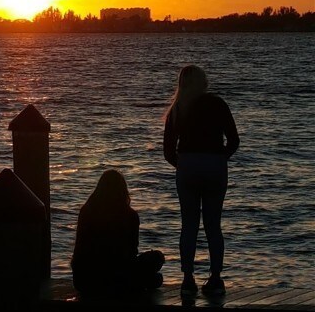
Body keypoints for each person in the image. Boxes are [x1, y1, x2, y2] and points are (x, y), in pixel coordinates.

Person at [163, 65, 239, 296]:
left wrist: (184, 164)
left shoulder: (177, 109)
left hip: (187, 165)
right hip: (215, 165)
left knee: (189, 225)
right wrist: (219, 159)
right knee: (213, 225)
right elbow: (234, 140)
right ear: (203, 82)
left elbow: (168, 151)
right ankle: (215, 278)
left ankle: (187, 279)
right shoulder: (217, 104)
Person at [71, 169, 164, 295]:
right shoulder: (129, 215)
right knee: (157, 259)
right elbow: (132, 251)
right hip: (117, 278)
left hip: (83, 280)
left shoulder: (86, 211)